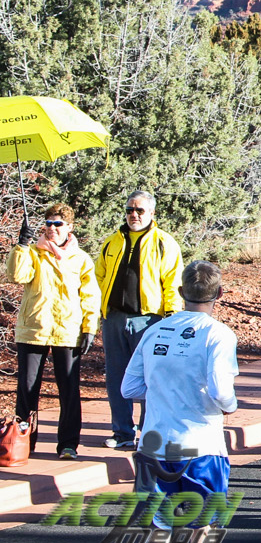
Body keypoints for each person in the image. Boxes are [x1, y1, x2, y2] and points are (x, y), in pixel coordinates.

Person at [104, 261, 237, 543]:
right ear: (219, 295)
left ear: (181, 292)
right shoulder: (218, 334)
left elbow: (130, 388)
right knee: (204, 535)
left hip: (155, 444)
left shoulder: (155, 330)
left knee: (157, 531)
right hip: (201, 447)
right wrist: (229, 404)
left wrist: (164, 389)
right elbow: (220, 389)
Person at [6, 203, 100, 459]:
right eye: (48, 223)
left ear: (69, 227)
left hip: (67, 331)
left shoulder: (81, 259)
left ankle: (68, 444)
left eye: (58, 224)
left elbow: (90, 296)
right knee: (27, 390)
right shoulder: (34, 252)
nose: (52, 229)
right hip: (33, 329)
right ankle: (23, 442)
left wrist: (90, 326)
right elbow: (16, 275)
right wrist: (21, 246)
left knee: (68, 390)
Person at [96, 189, 184, 450]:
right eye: (129, 210)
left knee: (150, 377)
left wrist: (172, 318)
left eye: (140, 210)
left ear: (152, 213)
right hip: (114, 319)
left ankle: (149, 434)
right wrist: (98, 310)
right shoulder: (112, 242)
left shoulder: (164, 242)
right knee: (116, 377)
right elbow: (98, 278)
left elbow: (173, 281)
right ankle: (122, 432)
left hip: (148, 320)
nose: (134, 214)